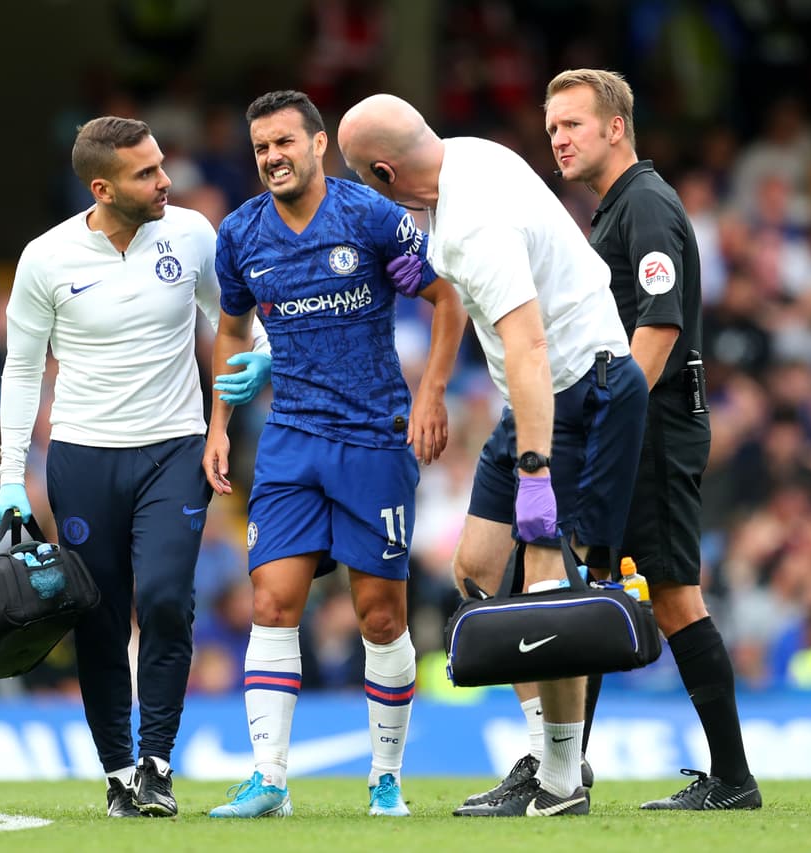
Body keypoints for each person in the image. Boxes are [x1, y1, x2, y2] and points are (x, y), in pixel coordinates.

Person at [339, 94, 648, 818]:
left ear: (384, 172)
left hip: (580, 392)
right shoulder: (463, 159)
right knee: (476, 569)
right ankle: (548, 750)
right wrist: (441, 385)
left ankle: (562, 782)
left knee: (548, 581)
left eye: (359, 179)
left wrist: (535, 470)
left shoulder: (472, 219)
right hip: (535, 400)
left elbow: (530, 343)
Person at [0, 116, 271, 819]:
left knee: (169, 599)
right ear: (101, 187)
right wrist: (7, 475)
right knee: (99, 616)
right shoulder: (46, 257)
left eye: (161, 164)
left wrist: (260, 354)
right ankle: (119, 773)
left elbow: (231, 317)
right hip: (83, 456)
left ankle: (157, 763)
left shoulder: (193, 233)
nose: (164, 181)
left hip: (175, 447)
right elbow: (22, 370)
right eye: (146, 173)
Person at [203, 90, 466, 819]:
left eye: (284, 142)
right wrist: (221, 421)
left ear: (319, 145)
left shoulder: (370, 217)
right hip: (289, 440)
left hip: (373, 439)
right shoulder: (240, 234)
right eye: (261, 148)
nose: (272, 157)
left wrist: (432, 393)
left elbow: (448, 300)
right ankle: (270, 779)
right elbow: (231, 331)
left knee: (381, 617)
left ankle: (385, 777)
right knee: (270, 602)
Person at [544, 68, 761, 809]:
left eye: (571, 124)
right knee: (597, 588)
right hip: (637, 428)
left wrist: (614, 422)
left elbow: (658, 328)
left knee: (673, 595)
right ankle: (563, 774)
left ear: (615, 127)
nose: (558, 140)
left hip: (654, 430)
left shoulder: (645, 205)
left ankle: (734, 779)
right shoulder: (615, 209)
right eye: (551, 130)